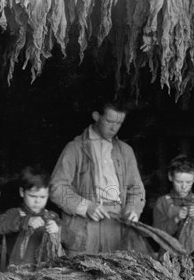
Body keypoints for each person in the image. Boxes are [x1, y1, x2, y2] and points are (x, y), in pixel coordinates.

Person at [49, 98, 146, 255]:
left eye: (119, 123)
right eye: (109, 121)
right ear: (96, 116)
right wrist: (86, 206)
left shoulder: (125, 151)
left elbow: (136, 188)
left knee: (114, 275)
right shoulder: (75, 148)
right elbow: (57, 188)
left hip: (116, 226)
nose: (114, 128)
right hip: (83, 228)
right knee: (81, 275)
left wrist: (133, 210)